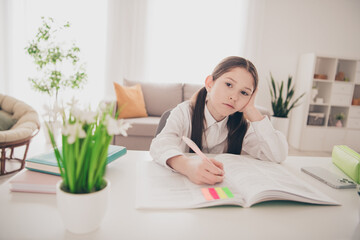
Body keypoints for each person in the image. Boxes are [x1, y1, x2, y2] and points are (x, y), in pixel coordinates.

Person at [150, 56, 288, 185]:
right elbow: (160, 145)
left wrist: (251, 109)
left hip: (220, 188)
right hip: (182, 184)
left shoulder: (242, 126)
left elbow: (277, 155)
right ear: (210, 83)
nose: (234, 97)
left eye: (244, 93)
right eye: (228, 84)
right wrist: (187, 166)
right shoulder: (184, 112)